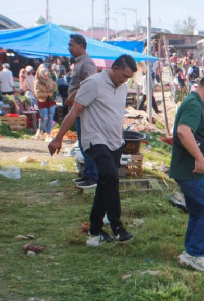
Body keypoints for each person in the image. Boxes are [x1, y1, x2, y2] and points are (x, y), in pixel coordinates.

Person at [48, 55, 138, 245]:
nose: (125, 80)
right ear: (113, 68)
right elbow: (74, 111)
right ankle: (117, 227)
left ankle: (95, 229)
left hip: (115, 141)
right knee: (110, 177)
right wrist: (58, 138)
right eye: (123, 75)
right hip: (95, 139)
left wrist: (121, 138)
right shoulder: (94, 83)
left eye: (128, 77)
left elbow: (116, 114)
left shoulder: (122, 87)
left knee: (105, 184)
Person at [169, 72, 204, 272]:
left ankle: (190, 252)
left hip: (189, 170)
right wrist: (200, 157)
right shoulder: (194, 104)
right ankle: (194, 254)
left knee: (198, 211)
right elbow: (183, 132)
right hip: (192, 171)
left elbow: (194, 135)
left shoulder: (198, 104)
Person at [65, 34, 99, 188]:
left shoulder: (86, 63)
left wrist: (73, 95)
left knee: (87, 142)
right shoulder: (78, 63)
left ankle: (93, 176)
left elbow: (91, 83)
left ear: (80, 45)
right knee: (82, 142)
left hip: (84, 109)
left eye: (71, 44)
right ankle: (87, 174)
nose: (69, 47)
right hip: (79, 108)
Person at [33, 66, 58, 141]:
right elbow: (37, 94)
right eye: (45, 75)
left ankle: (48, 135)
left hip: (51, 101)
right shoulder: (37, 82)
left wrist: (54, 92)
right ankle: (40, 130)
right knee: (44, 118)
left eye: (47, 75)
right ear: (41, 75)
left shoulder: (51, 81)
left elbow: (55, 89)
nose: (46, 77)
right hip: (42, 101)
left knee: (50, 118)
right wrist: (47, 94)